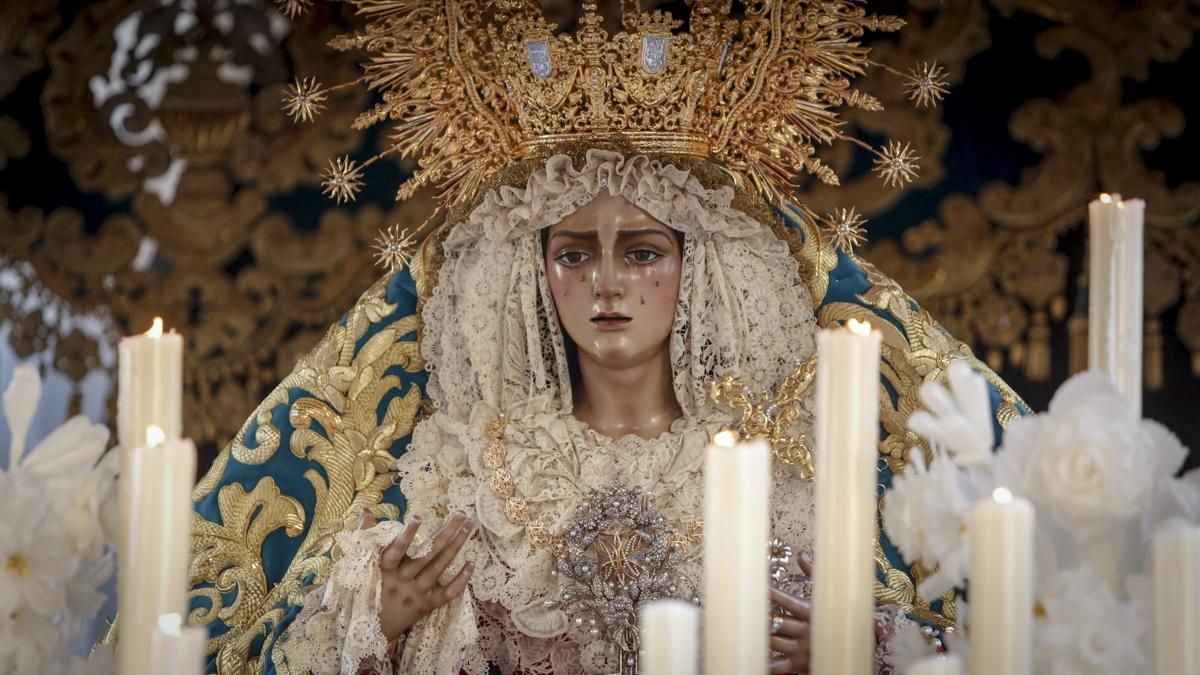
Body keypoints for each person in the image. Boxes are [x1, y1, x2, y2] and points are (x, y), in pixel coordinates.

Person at [178, 2, 1026, 673]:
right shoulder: (472, 467)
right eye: (574, 253)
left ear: (696, 270)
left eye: (644, 251)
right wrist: (386, 621)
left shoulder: (786, 475)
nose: (607, 283)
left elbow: (969, 639)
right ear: (534, 273)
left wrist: (847, 651)